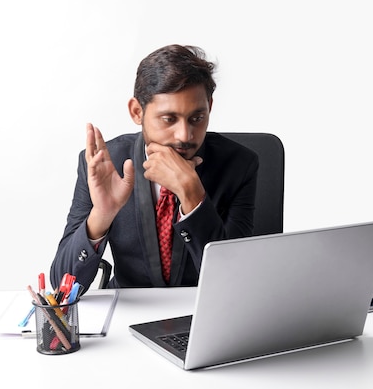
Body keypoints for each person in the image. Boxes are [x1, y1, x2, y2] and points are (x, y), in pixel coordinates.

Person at [50, 44, 258, 294]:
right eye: (169, 119)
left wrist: (192, 195)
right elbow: (62, 287)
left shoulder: (239, 164)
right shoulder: (105, 164)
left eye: (197, 118)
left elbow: (236, 283)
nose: (184, 135)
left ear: (210, 107)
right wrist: (101, 216)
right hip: (128, 313)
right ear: (137, 112)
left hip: (202, 312)